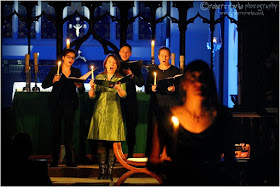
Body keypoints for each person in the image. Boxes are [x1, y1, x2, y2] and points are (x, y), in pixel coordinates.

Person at [147, 60, 237, 185]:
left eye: (203, 78)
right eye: (193, 78)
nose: (199, 83)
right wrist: (165, 164)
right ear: (183, 83)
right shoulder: (166, 116)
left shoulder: (222, 117)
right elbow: (152, 161)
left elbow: (230, 159)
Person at [42, 48, 85, 167]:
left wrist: (80, 86)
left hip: (70, 104)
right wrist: (53, 80)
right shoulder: (55, 70)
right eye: (69, 57)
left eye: (73, 57)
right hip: (56, 104)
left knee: (69, 132)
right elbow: (44, 85)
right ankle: (55, 160)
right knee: (55, 132)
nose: (71, 59)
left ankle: (69, 160)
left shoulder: (76, 72)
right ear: (63, 58)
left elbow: (81, 91)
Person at [87, 53, 127, 181]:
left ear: (117, 66)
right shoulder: (99, 77)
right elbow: (92, 96)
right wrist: (92, 88)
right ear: (105, 64)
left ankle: (110, 172)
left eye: (114, 63)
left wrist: (118, 89)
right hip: (101, 112)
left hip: (114, 112)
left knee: (112, 143)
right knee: (101, 143)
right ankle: (102, 172)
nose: (112, 64)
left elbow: (123, 95)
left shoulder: (120, 78)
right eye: (110, 62)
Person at [145, 46, 180, 156]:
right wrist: (152, 88)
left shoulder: (175, 70)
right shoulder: (153, 71)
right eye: (162, 55)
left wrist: (175, 89)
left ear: (169, 56)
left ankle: (169, 154)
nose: (164, 57)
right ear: (158, 56)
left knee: (169, 129)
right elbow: (146, 89)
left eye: (166, 55)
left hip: (171, 103)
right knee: (156, 129)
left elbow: (181, 87)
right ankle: (154, 154)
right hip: (157, 103)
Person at [119, 43, 145, 158]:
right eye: (122, 51)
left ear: (130, 54)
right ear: (119, 53)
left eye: (127, 52)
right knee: (117, 125)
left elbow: (141, 83)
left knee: (131, 126)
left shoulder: (134, 66)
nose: (125, 54)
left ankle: (130, 153)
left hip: (130, 98)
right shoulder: (114, 64)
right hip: (117, 98)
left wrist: (132, 75)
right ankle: (115, 154)